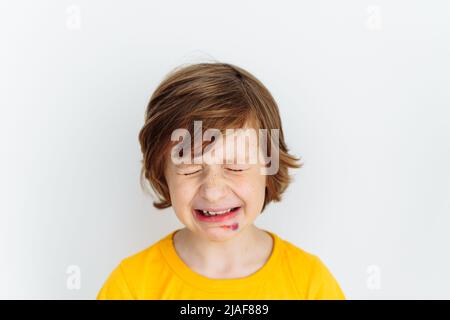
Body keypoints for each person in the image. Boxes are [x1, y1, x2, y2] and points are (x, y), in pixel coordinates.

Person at [97, 62, 345, 300]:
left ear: (269, 168)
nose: (213, 191)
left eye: (235, 165)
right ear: (162, 174)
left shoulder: (310, 285)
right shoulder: (131, 287)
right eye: (191, 166)